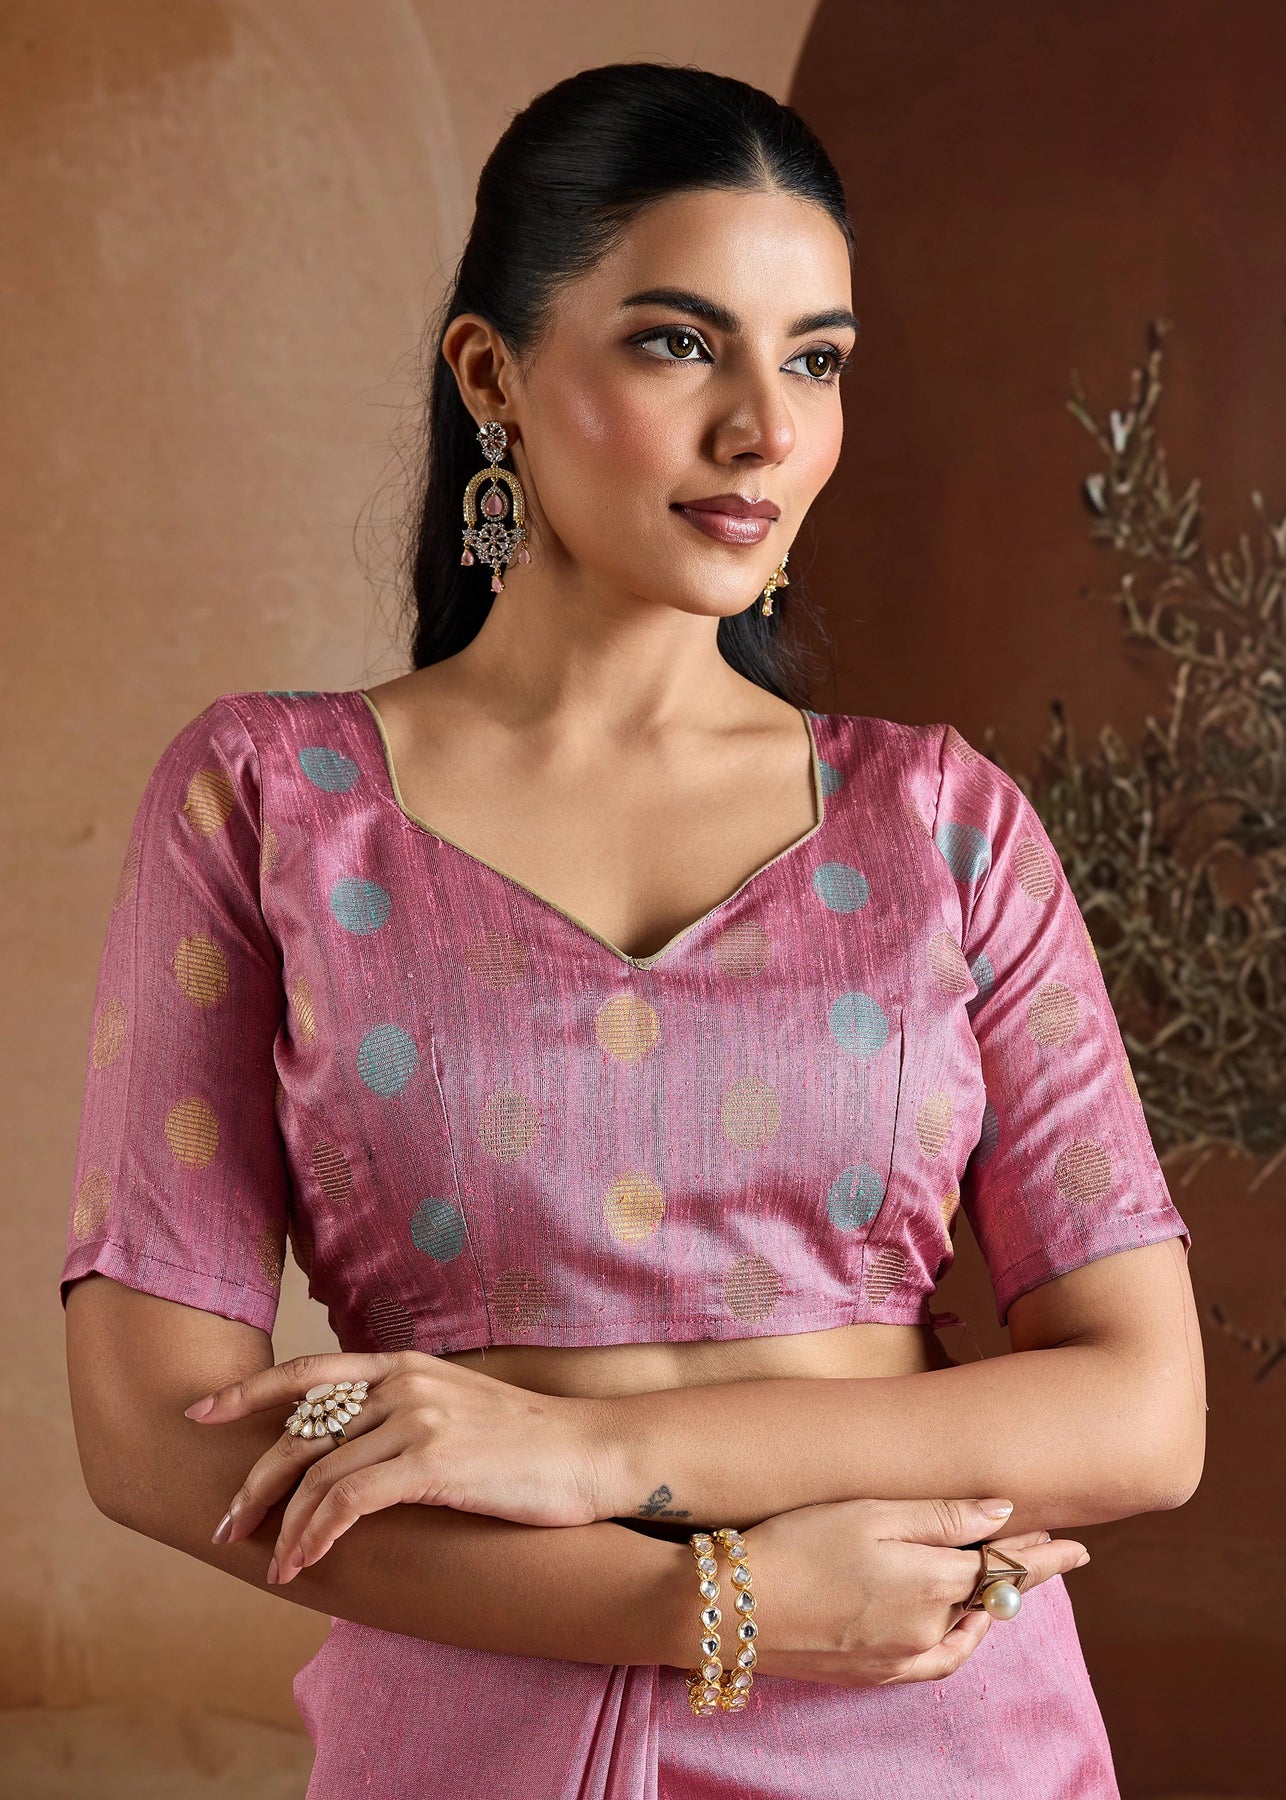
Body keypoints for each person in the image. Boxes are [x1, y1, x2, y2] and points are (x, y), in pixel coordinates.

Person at [60, 61, 1204, 1800]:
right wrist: (705, 1605)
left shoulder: (940, 824)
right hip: (478, 1726)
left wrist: (591, 1456)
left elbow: (1141, 1410)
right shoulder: (274, 800)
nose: (764, 431)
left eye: (813, 360)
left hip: (929, 1712)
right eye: (680, 344)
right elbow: (155, 1437)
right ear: (491, 375)